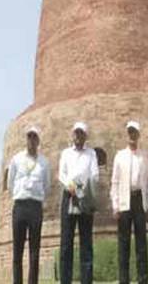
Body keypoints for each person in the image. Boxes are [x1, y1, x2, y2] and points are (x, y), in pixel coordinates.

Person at [110, 121, 148, 284]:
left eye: (134, 132)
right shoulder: (120, 156)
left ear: (138, 135)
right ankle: (124, 280)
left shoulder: (144, 157)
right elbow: (115, 182)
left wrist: (147, 205)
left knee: (141, 243)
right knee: (124, 243)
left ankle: (143, 279)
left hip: (138, 200)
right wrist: (115, 205)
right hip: (124, 200)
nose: (132, 135)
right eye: (129, 132)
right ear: (127, 134)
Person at [7, 126, 51, 284]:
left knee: (34, 250)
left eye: (34, 137)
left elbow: (47, 185)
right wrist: (20, 195)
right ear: (26, 139)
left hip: (35, 206)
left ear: (38, 140)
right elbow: (10, 183)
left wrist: (35, 197)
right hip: (19, 205)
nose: (32, 140)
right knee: (17, 251)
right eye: (29, 137)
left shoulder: (44, 162)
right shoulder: (17, 159)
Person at [58, 122, 99, 284]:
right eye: (76, 133)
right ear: (72, 134)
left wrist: (84, 186)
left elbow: (94, 174)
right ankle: (65, 281)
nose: (78, 136)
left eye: (81, 133)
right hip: (69, 195)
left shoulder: (91, 154)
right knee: (66, 242)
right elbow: (61, 173)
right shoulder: (66, 153)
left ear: (85, 136)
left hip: (85, 196)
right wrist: (71, 185)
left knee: (86, 242)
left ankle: (86, 281)